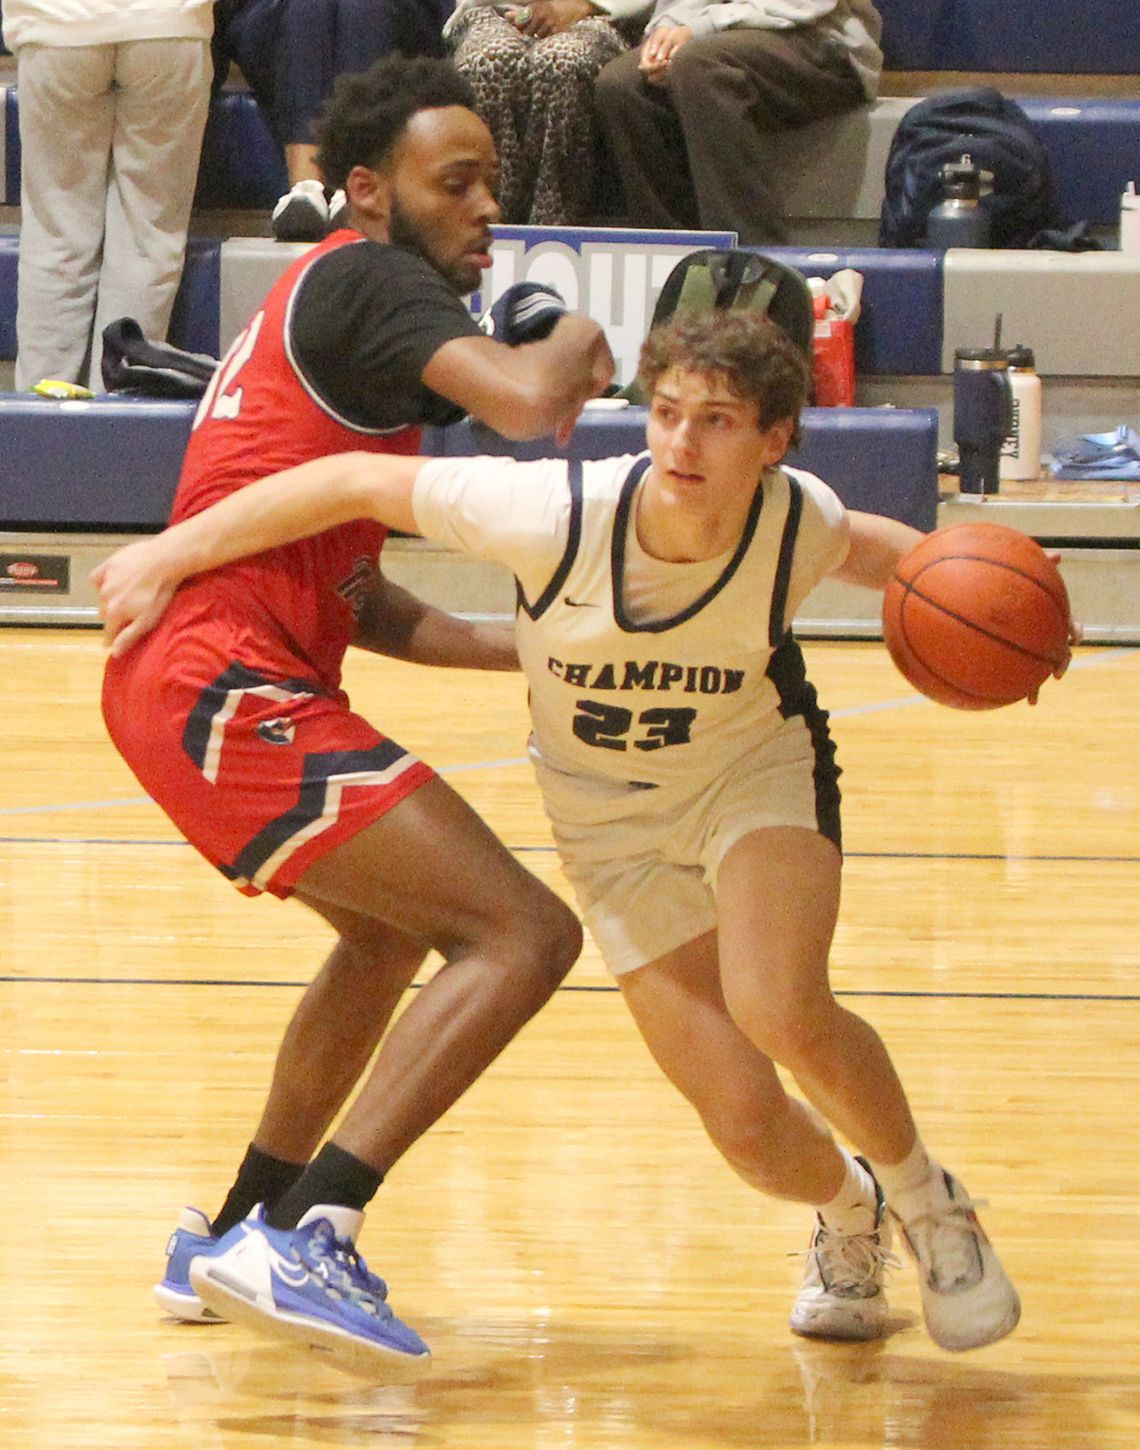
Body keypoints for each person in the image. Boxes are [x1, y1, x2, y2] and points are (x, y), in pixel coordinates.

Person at [96, 309, 1051, 1356]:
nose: (683, 443)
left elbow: (903, 560)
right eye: (668, 413)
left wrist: (1026, 612)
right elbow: (349, 483)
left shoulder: (799, 520)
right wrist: (169, 551)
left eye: (718, 421)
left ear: (774, 440)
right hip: (609, 823)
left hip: (749, 773)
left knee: (777, 1003)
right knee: (742, 1119)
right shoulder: (553, 511)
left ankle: (928, 1199)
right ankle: (848, 1209)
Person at [96, 53, 613, 1374]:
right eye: (459, 182)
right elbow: (536, 400)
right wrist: (571, 328)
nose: (486, 205)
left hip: (202, 679)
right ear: (372, 192)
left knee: (387, 942)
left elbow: (366, 602)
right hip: (225, 680)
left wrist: (534, 651)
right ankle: (317, 1225)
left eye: (494, 180)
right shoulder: (368, 278)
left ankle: (236, 1228)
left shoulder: (337, 325)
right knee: (521, 932)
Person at [3, 0, 213, 391]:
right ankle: (122, 412)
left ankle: (40, 426)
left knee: (56, 241)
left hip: (57, 25)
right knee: (147, 241)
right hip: (166, 24)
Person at [593, 0, 883, 244]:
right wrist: (665, 35)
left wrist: (700, 28)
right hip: (715, 39)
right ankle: (675, 263)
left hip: (822, 38)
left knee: (701, 66)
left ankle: (753, 267)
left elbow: (804, 5)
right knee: (620, 84)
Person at [211, 0, 455, 241]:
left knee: (362, 7)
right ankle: (305, 193)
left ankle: (354, 186)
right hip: (277, 15)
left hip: (392, 14)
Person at [444, 0, 652, 226]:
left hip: (605, 14)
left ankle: (555, 234)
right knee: (489, 61)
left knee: (563, 62)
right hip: (496, 9)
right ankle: (490, 229)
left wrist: (585, 5)